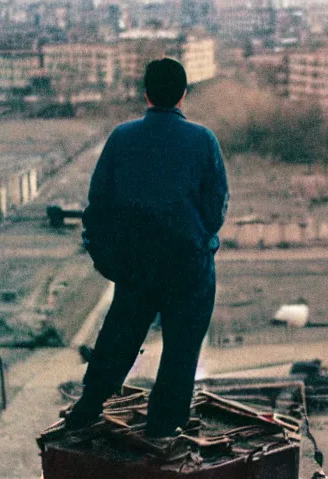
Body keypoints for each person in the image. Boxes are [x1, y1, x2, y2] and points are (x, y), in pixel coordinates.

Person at [65, 58, 229, 438]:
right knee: (182, 347)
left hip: (136, 265)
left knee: (120, 334)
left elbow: (99, 205)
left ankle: (89, 405)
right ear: (183, 95)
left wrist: (107, 258)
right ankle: (163, 425)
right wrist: (200, 240)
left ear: (146, 93)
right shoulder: (203, 140)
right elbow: (217, 203)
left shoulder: (122, 137)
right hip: (188, 266)